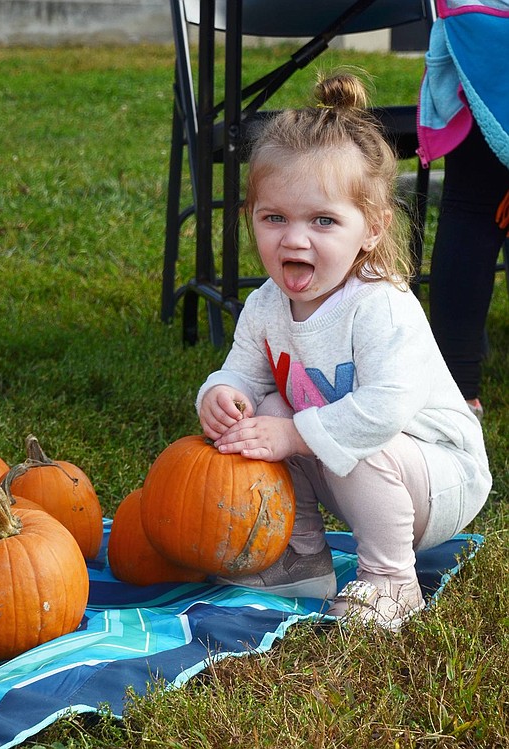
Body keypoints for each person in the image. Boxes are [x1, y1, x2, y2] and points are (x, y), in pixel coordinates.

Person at [195, 72, 492, 631]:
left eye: (324, 221)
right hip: (356, 469)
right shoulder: (265, 305)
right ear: (249, 219)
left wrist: (293, 435)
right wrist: (223, 393)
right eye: (274, 218)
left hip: (436, 477)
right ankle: (301, 557)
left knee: (341, 436)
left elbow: (383, 412)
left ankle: (392, 581)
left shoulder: (378, 305)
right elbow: (242, 371)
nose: (295, 239)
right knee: (265, 412)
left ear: (373, 229)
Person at [417, 0, 509, 421]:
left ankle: (456, 387)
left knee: (472, 208)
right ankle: (455, 381)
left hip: (481, 27)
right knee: (474, 205)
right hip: (488, 31)